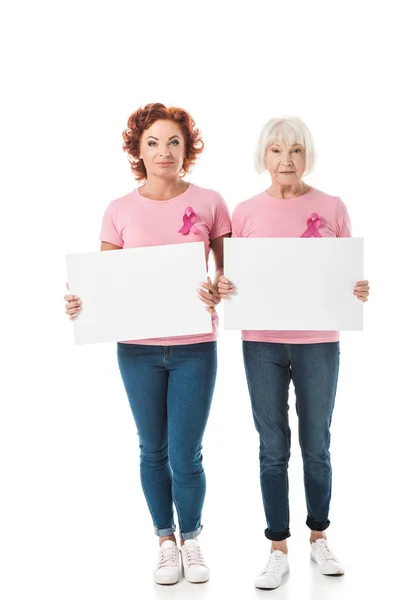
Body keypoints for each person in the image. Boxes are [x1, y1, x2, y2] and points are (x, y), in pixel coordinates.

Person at [64, 103, 231, 585]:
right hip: (136, 350)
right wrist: (79, 304)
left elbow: (230, 274)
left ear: (187, 149)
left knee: (187, 452)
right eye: (153, 142)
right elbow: (101, 285)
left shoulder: (210, 202)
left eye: (174, 142)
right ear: (138, 149)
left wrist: (219, 286)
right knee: (152, 449)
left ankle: (192, 540)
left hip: (196, 347)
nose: (164, 151)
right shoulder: (118, 210)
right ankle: (164, 541)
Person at [218, 117, 370, 590]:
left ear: (308, 155)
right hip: (261, 341)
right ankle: (277, 547)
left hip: (318, 341)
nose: (287, 161)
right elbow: (231, 276)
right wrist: (225, 285)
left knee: (317, 444)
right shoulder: (242, 213)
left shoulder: (333, 207)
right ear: (263, 157)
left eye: (296, 151)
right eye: (277, 151)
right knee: (271, 447)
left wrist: (358, 289)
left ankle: (319, 536)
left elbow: (344, 272)